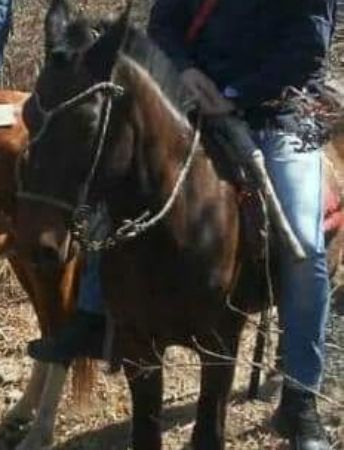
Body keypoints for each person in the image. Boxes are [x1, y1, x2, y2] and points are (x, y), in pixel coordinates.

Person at [28, 1, 336, 449]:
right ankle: (93, 314)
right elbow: (166, 22)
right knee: (108, 173)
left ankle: (299, 398)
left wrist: (233, 93)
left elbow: (306, 48)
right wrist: (186, 72)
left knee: (305, 247)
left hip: (277, 110)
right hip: (187, 96)